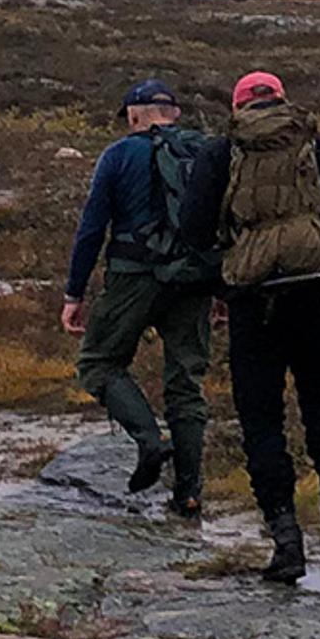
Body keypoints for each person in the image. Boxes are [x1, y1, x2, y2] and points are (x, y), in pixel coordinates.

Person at [216, 69, 320, 583]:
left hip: (253, 301)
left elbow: (194, 227)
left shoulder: (223, 152)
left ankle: (286, 542)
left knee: (261, 421)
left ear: (238, 106)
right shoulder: (317, 146)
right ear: (282, 99)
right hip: (316, 290)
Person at [59, 76, 223, 512]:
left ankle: (150, 441)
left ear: (133, 115)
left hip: (133, 276)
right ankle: (188, 493)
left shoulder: (118, 154)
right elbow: (226, 224)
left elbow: (92, 228)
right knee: (185, 384)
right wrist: (222, 289)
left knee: (98, 363)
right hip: (194, 281)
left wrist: (74, 293)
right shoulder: (206, 153)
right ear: (176, 114)